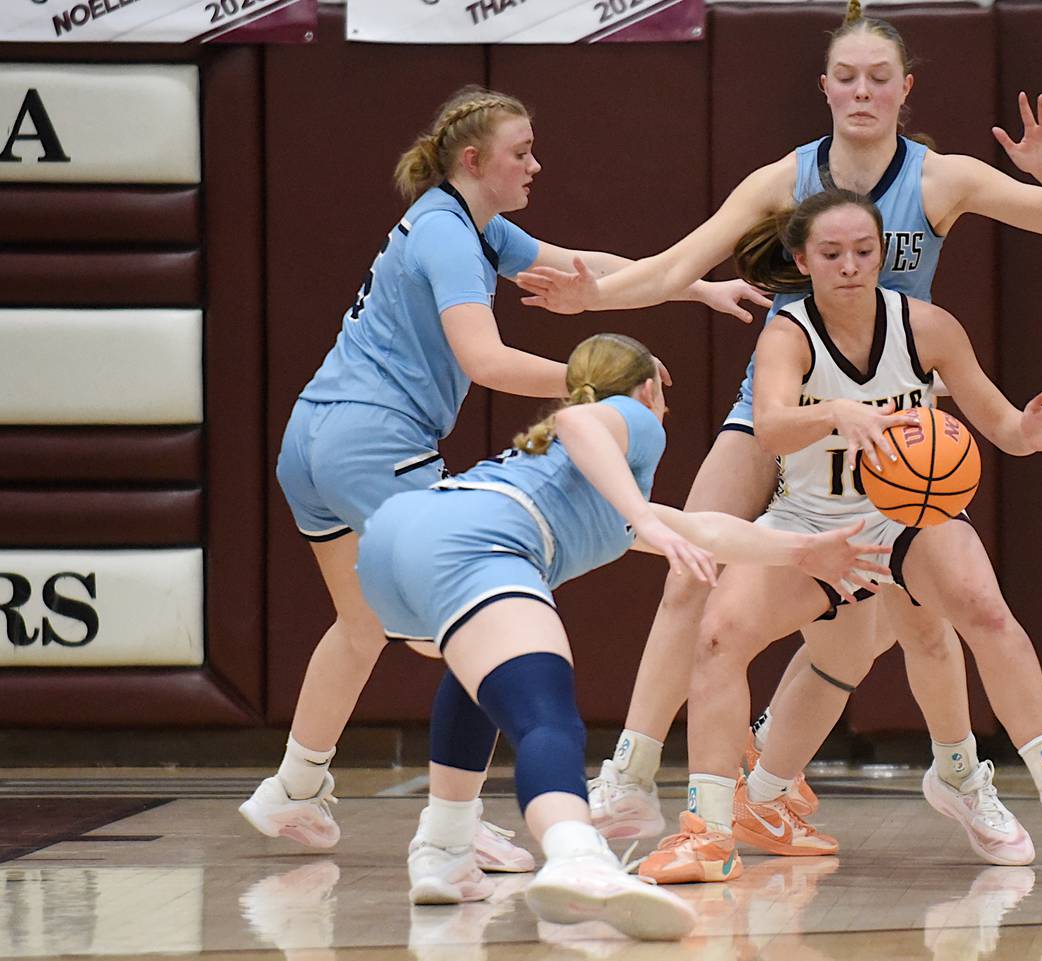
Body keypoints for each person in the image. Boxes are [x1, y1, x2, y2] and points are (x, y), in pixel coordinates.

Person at [517, 0, 1042, 862]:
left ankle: (958, 777)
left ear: (905, 90)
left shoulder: (941, 178)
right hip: (790, 405)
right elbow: (678, 263)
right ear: (824, 88)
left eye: (881, 77)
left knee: (928, 618)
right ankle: (633, 774)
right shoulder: (782, 180)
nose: (863, 90)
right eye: (848, 76)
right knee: (691, 568)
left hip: (893, 422)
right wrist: (594, 298)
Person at [237, 85, 765, 881]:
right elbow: (485, 362)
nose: (536, 164)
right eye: (521, 152)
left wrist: (697, 287)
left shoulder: (475, 226)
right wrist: (605, 388)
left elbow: (587, 269)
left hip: (312, 438)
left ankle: (294, 787)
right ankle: (456, 823)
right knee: (480, 624)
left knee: (360, 623)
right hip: (372, 440)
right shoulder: (449, 236)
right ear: (473, 160)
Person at [635, 190, 1042, 884]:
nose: (850, 266)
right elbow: (772, 426)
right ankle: (706, 832)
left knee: (984, 612)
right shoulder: (788, 334)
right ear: (802, 259)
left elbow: (995, 418)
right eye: (833, 253)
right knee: (719, 635)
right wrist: (840, 410)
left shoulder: (928, 327)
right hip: (812, 520)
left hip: (907, 515)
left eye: (864, 252)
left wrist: (1029, 433)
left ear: (885, 255)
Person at [355, 332, 891, 935]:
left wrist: (802, 550)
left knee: (479, 672)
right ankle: (577, 856)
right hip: (471, 546)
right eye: (659, 397)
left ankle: (446, 848)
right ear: (646, 389)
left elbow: (700, 530)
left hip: (396, 548)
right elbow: (583, 424)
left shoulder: (587, 487)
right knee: (546, 715)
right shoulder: (633, 420)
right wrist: (640, 514)